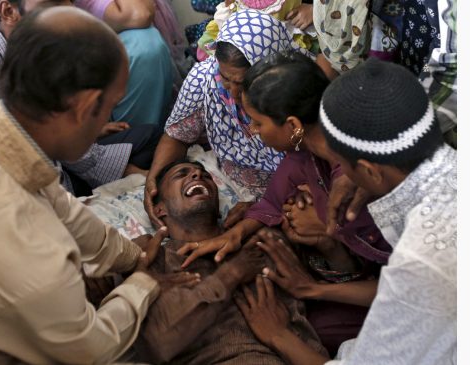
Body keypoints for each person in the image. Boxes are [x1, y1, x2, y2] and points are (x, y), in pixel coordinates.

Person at [0, 7, 193, 364]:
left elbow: (55, 199)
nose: (109, 122)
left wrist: (129, 255)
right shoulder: (37, 265)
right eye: (111, 107)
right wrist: (145, 284)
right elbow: (93, 347)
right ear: (85, 107)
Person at [237, 58, 456, 364]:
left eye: (343, 167)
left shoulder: (420, 257)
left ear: (370, 171)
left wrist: (278, 335)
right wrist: (312, 289)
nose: (339, 176)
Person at [177, 52, 392, 355]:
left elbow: (407, 283)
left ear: (292, 124)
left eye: (257, 122)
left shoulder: (360, 177)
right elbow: (272, 201)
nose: (251, 130)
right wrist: (234, 234)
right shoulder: (305, 154)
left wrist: (314, 289)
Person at [0, 0, 162, 196]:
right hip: (31, 187)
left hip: (53, 166)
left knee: (153, 139)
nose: (68, 13)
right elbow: (42, 195)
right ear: (8, 12)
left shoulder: (40, 50)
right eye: (51, 4)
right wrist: (133, 177)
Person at [133, 159, 327, 364]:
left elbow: (338, 278)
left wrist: (325, 245)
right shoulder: (155, 260)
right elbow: (154, 344)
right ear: (160, 210)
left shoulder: (261, 236)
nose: (198, 175)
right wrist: (232, 273)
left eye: (206, 175)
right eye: (181, 174)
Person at [145, 9, 309, 229]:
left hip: (292, 188)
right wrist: (155, 184)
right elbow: (177, 136)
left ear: (269, 71)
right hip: (238, 180)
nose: (233, 94)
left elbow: (307, 168)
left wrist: (263, 207)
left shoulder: (298, 91)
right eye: (226, 79)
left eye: (243, 84)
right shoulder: (204, 80)